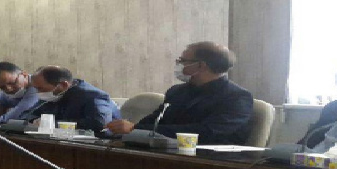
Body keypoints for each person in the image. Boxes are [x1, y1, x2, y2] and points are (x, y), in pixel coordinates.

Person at [106, 41, 253, 145]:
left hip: (211, 163)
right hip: (168, 152)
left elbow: (208, 132)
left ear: (201, 65)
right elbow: (154, 121)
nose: (179, 64)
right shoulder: (177, 91)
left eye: (183, 61)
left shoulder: (237, 97)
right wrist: (127, 129)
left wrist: (135, 129)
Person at [19, 66, 121, 133]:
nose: (38, 92)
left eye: (41, 88)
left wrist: (53, 124)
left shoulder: (93, 96)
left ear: (63, 85)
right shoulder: (51, 95)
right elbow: (25, 116)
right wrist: (35, 120)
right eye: (36, 88)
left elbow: (99, 124)